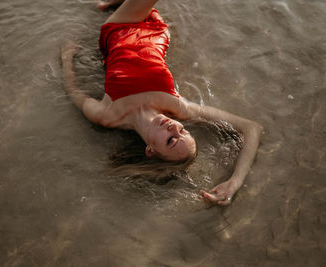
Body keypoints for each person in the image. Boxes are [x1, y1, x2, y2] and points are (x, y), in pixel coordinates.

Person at [61, 0, 263, 206]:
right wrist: (234, 182)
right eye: (183, 131)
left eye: (170, 140)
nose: (174, 127)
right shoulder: (178, 107)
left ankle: (118, 3)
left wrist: (66, 58)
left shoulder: (107, 115)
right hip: (156, 31)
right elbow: (251, 128)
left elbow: (74, 91)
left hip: (118, 28)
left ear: (150, 150)